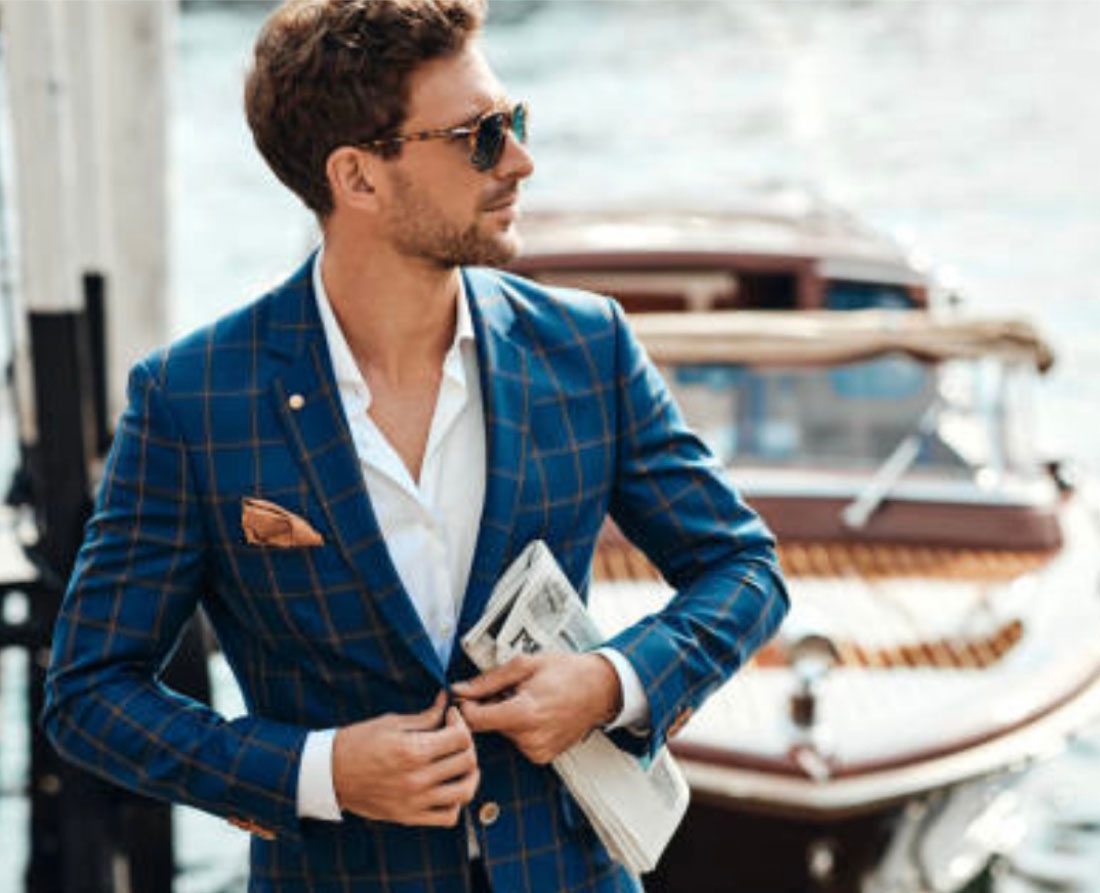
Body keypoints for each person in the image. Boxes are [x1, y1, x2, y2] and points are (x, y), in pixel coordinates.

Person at [42, 1, 789, 890]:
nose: (519, 159)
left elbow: (744, 568)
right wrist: (316, 772)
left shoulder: (588, 348)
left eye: (513, 122)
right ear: (357, 177)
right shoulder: (192, 398)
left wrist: (610, 680)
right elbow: (90, 693)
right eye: (479, 136)